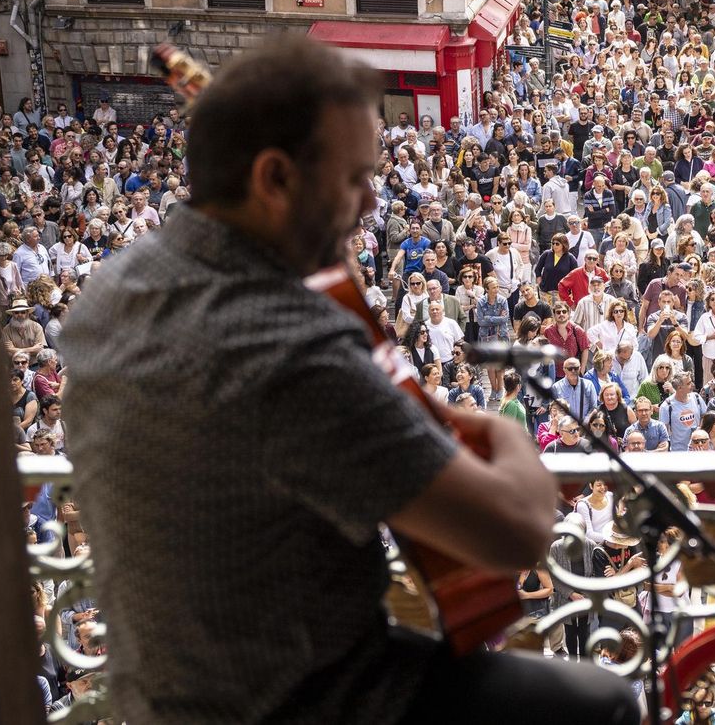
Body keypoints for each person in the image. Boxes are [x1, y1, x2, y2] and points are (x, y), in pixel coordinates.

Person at [58, 36, 637, 725]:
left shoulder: (108, 295)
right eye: (356, 178)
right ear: (274, 179)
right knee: (601, 704)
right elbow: (514, 534)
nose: (369, 205)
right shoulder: (290, 350)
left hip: (159, 696)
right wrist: (496, 431)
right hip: (306, 701)